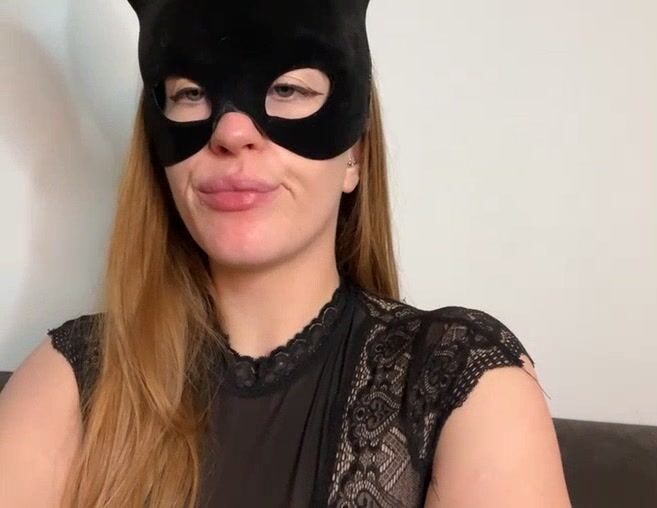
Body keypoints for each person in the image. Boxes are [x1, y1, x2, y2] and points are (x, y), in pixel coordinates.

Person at [0, 0, 571, 506]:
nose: (232, 133)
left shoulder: (462, 383)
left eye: (288, 89)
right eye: (192, 94)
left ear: (354, 157)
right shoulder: (70, 378)